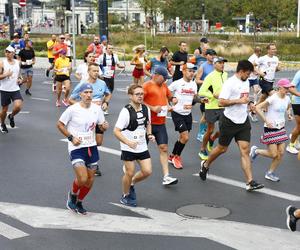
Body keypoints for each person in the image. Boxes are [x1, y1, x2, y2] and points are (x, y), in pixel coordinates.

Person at [199, 60, 264, 191]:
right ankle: (205, 164)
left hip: (243, 121)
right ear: (241, 71)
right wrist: (239, 101)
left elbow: (245, 97)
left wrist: (249, 103)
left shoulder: (246, 81)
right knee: (222, 149)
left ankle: (250, 182)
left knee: (245, 150)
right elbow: (221, 102)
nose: (249, 76)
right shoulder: (230, 83)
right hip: (229, 120)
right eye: (247, 73)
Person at [57, 83, 108, 215]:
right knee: (83, 178)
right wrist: (71, 137)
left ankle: (79, 201)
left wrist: (104, 127)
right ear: (80, 94)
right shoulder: (72, 109)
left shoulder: (97, 109)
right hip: (76, 147)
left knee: (90, 179)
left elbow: (100, 126)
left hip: (91, 147)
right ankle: (72, 194)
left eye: (90, 92)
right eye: (85, 92)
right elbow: (60, 124)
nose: (88, 95)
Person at [114, 84, 155, 206]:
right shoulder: (126, 111)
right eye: (137, 94)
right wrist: (128, 142)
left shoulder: (145, 108)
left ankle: (131, 183)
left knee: (147, 171)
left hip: (142, 145)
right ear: (130, 96)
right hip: (128, 146)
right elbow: (116, 131)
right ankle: (125, 195)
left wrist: (149, 134)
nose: (140, 96)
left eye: (142, 94)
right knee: (129, 172)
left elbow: (148, 123)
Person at [70, 63, 111, 176]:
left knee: (98, 142)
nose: (96, 73)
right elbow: (71, 100)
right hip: (85, 118)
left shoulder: (102, 83)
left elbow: (108, 94)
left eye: (98, 71)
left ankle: (90, 160)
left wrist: (106, 103)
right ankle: (93, 164)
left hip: (98, 116)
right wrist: (85, 104)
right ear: (88, 72)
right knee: (89, 140)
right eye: (94, 71)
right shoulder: (83, 84)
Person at [250, 79, 292, 182]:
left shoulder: (287, 98)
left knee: (281, 153)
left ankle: (270, 173)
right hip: (270, 128)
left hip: (281, 128)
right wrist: (266, 120)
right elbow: (257, 107)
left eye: (288, 88)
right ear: (280, 87)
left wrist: (289, 114)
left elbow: (288, 107)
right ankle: (256, 151)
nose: (288, 90)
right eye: (286, 88)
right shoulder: (273, 98)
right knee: (274, 154)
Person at [143, 66, 178, 185]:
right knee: (140, 150)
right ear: (157, 75)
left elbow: (169, 96)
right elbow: (138, 100)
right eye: (164, 78)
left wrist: (173, 100)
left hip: (160, 123)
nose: (166, 81)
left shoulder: (163, 86)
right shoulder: (147, 85)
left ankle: (166, 176)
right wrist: (152, 108)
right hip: (147, 124)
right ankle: (128, 168)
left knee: (164, 148)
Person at [168, 63, 198, 169]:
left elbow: (194, 98)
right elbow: (166, 92)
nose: (192, 73)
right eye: (189, 71)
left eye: (193, 71)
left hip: (188, 114)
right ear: (184, 71)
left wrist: (200, 100)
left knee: (181, 137)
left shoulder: (194, 84)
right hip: (177, 113)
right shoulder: (177, 83)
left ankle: (171, 156)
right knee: (185, 137)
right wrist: (171, 100)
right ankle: (177, 157)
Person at [198, 57, 228, 160]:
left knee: (224, 129)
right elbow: (201, 92)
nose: (222, 64)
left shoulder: (225, 74)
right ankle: (202, 149)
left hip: (223, 106)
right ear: (214, 65)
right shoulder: (210, 76)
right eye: (219, 63)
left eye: (223, 63)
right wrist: (212, 95)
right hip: (211, 106)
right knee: (210, 130)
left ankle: (212, 139)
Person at [195, 49, 217, 142]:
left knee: (211, 117)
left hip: (215, 95)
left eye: (214, 55)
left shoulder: (217, 66)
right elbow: (197, 80)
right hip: (206, 94)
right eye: (211, 55)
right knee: (205, 116)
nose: (213, 57)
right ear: (206, 56)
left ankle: (206, 131)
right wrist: (207, 82)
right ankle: (200, 133)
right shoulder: (203, 66)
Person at [0, 46, 23, 133]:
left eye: (9, 52)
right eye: (6, 52)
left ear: (13, 53)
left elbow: (19, 74)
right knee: (4, 110)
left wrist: (20, 79)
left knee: (18, 106)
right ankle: (2, 123)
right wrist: (6, 74)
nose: (7, 54)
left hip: (15, 89)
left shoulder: (18, 62)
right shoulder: (2, 63)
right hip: (5, 89)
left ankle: (11, 116)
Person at [286, 70, 300, 154]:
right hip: (298, 102)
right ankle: (290, 145)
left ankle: (296, 139)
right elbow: (290, 88)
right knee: (299, 126)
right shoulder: (299, 73)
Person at [248, 47, 262, 122]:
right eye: (260, 51)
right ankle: (250, 105)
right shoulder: (252, 57)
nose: (260, 52)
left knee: (257, 90)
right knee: (245, 94)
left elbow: (257, 67)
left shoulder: (257, 58)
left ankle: (254, 104)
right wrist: (254, 72)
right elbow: (249, 66)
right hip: (249, 78)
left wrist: (257, 73)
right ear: (258, 51)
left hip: (254, 78)